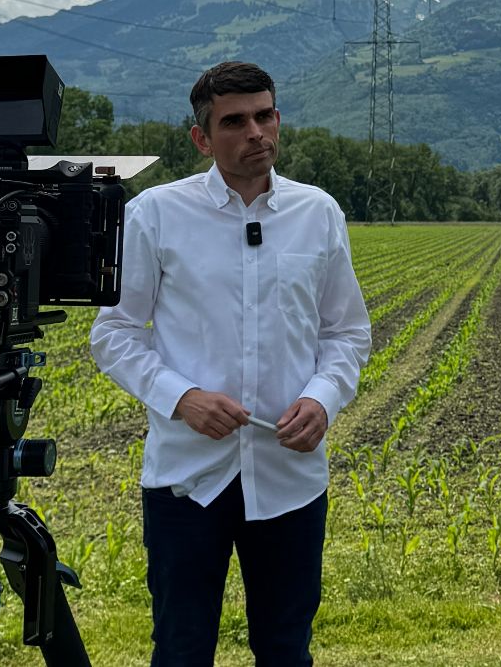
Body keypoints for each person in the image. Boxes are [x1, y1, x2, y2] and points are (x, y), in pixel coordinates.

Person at [90, 61, 371, 667]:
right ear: (200, 137)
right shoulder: (156, 214)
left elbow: (347, 331)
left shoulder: (318, 213)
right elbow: (112, 333)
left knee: (285, 646)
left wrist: (323, 397)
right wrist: (181, 397)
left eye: (265, 116)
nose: (256, 133)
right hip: (188, 480)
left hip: (289, 476)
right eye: (235, 121)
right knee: (182, 648)